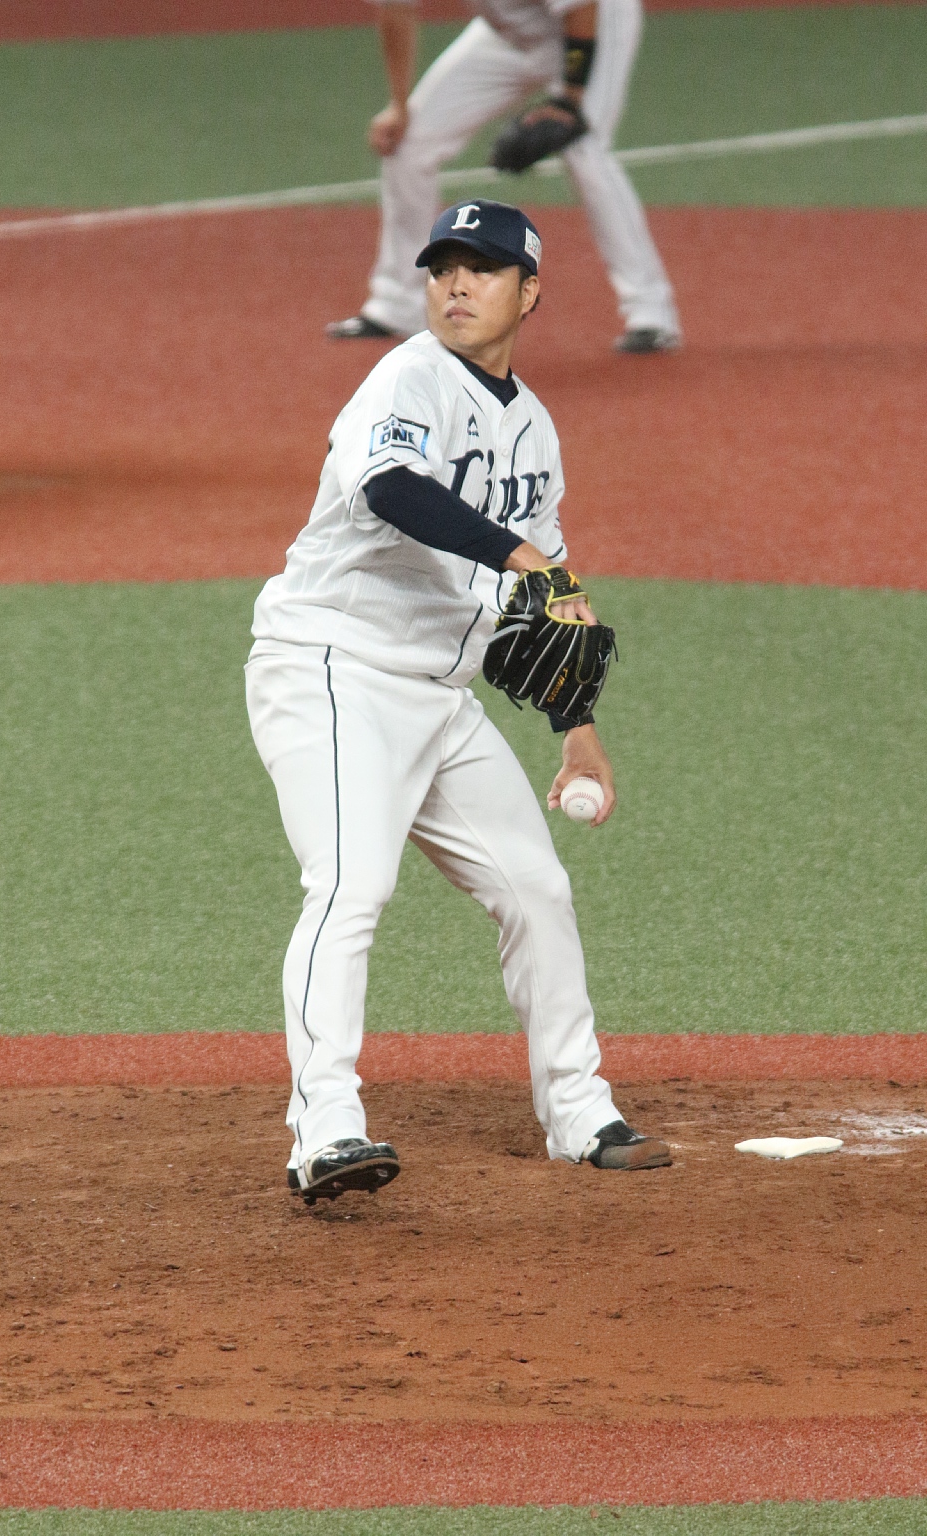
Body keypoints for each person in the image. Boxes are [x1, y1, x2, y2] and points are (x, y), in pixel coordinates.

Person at [246, 200, 671, 1205]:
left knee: (536, 889)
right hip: (334, 670)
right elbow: (393, 488)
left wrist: (577, 732)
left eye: (481, 270)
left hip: (439, 699)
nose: (456, 285)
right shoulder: (408, 377)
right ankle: (325, 1132)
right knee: (350, 886)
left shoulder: (535, 429)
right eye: (442, 268)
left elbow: (548, 598)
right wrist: (519, 553)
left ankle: (580, 1113)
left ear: (530, 292)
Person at [328, 0, 680, 355]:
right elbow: (396, 9)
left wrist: (570, 101)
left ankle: (651, 312)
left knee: (582, 147)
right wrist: (398, 104)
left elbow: (581, 8)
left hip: (595, 23)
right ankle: (398, 305)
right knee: (408, 145)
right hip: (509, 36)